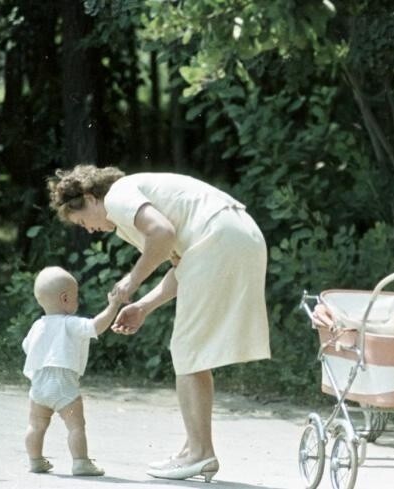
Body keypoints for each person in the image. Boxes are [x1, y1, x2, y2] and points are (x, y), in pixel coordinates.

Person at [46, 164, 271, 482]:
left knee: (188, 348)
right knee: (191, 349)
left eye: (82, 221)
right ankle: (193, 449)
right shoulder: (132, 203)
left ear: (89, 198)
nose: (88, 229)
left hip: (220, 237)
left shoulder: (118, 195)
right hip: (242, 236)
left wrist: (132, 281)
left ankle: (200, 453)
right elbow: (182, 263)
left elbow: (162, 233)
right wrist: (144, 306)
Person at [22, 266, 122, 476]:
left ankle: (35, 460)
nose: (78, 300)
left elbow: (26, 347)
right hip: (64, 387)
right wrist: (113, 306)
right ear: (65, 298)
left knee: (36, 425)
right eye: (76, 296)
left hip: (38, 387)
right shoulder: (70, 324)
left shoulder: (37, 325)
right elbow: (96, 326)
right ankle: (80, 462)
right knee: (76, 426)